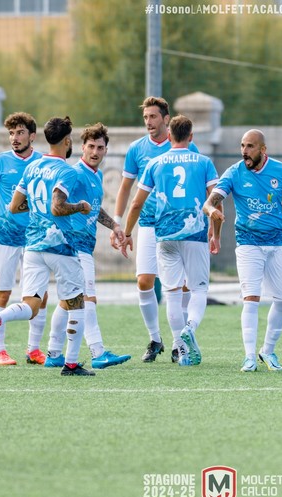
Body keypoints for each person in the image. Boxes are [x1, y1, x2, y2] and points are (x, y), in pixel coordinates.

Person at [0, 116, 94, 376]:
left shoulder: (33, 168)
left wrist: (38, 209)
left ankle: (1, 318)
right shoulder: (67, 171)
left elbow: (14, 206)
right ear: (67, 140)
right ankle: (71, 364)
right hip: (59, 245)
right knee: (76, 301)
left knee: (32, 304)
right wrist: (81, 207)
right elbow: (58, 207)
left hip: (34, 245)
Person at [203, 129, 282, 372]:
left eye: (250, 146)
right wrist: (211, 212)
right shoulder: (234, 172)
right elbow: (210, 201)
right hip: (248, 243)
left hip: (277, 243)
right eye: (242, 146)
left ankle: (267, 351)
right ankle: (249, 357)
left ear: (263, 150)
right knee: (251, 299)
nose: (244, 151)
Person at [123, 115, 219, 366]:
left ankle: (180, 346)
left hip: (163, 234)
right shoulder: (204, 162)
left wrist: (126, 232)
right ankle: (190, 327)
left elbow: (136, 203)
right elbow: (216, 201)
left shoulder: (156, 163)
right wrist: (214, 230)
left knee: (172, 294)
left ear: (169, 135)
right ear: (191, 137)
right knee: (198, 289)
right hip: (194, 233)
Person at [111, 97, 200, 363]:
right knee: (144, 281)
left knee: (182, 286)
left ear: (166, 119)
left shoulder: (188, 146)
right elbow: (126, 188)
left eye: (153, 117)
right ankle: (155, 339)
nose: (149, 122)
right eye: (146, 117)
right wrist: (118, 221)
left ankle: (178, 343)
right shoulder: (137, 149)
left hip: (178, 227)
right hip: (149, 223)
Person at [44, 123, 131, 369]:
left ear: (106, 150)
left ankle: (52, 353)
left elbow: (93, 206)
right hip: (75, 246)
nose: (95, 151)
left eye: (100, 147)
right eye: (91, 146)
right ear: (82, 147)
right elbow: (58, 204)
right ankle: (98, 352)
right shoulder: (75, 173)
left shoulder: (97, 175)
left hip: (81, 246)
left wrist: (114, 225)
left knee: (67, 301)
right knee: (88, 298)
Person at [0, 112, 48, 366]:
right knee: (3, 293)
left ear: (32, 135)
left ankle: (34, 350)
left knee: (40, 295)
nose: (14, 138)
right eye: (11, 133)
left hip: (36, 239)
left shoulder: (42, 162)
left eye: (19, 133)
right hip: (5, 238)